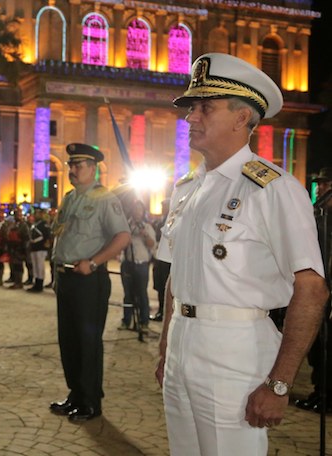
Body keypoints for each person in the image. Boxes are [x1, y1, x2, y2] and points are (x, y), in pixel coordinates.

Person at [154, 53, 329, 455]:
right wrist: (166, 347)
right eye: (192, 108)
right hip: (181, 346)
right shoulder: (186, 189)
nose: (190, 117)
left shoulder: (273, 188)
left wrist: (279, 383)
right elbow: (175, 278)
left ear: (241, 117)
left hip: (234, 352)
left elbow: (312, 289)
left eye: (205, 108)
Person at [49, 143, 130, 422]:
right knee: (68, 339)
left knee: (87, 342)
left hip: (89, 279)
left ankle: (91, 401)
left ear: (93, 168)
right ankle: (76, 394)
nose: (72, 170)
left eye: (78, 165)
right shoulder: (70, 198)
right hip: (66, 278)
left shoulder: (105, 199)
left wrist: (94, 262)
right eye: (70, 165)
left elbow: (122, 236)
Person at [294, 167, 332, 414]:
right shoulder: (318, 216)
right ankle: (320, 392)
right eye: (320, 185)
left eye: (326, 185)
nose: (321, 189)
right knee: (318, 347)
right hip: (319, 291)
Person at [118, 200, 156, 331]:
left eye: (140, 209)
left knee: (142, 293)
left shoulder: (147, 227)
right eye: (135, 209)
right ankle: (126, 320)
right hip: (127, 264)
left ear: (143, 212)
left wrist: (145, 235)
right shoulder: (126, 226)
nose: (137, 212)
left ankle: (144, 321)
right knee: (127, 294)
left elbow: (152, 245)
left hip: (141, 265)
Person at [150, 199, 170, 322]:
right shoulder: (159, 222)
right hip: (158, 259)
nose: (163, 208)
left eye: (165, 206)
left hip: (167, 261)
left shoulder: (172, 220)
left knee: (166, 287)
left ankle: (165, 312)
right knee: (159, 285)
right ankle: (161, 311)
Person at [26, 209, 51, 292]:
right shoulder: (35, 224)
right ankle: (36, 283)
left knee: (40, 267)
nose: (35, 215)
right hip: (34, 247)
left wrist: (47, 244)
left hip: (41, 248)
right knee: (35, 266)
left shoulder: (44, 224)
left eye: (37, 213)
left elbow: (47, 235)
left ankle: (40, 284)